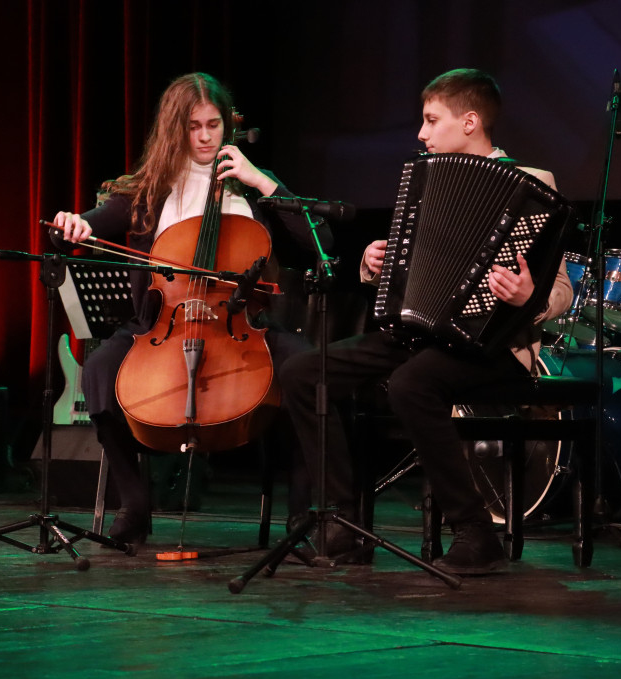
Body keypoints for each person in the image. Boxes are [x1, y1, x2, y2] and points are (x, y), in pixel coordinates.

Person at [279, 68, 573, 574]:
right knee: (304, 372)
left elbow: (563, 291)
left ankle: (477, 531)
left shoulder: (534, 186)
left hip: (496, 347)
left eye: (431, 120)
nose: (421, 133)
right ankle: (344, 523)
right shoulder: (425, 178)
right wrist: (374, 267)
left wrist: (530, 296)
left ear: (470, 122)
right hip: (419, 336)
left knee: (411, 384)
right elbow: (410, 274)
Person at [53, 72, 331, 545]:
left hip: (242, 326)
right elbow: (99, 221)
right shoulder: (148, 189)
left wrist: (260, 180)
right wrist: (77, 223)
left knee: (308, 369)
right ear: (174, 130)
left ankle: (300, 516)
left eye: (214, 125)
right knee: (98, 370)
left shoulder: (250, 189)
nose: (204, 137)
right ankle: (135, 506)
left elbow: (317, 243)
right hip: (161, 325)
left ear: (228, 126)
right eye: (193, 127)